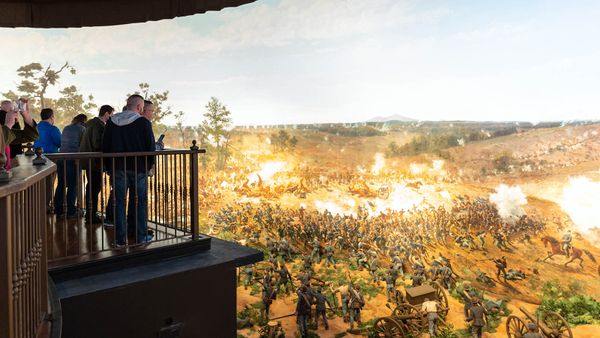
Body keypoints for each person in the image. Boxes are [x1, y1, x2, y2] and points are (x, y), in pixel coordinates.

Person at [102, 94, 155, 246]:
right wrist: (150, 165)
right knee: (140, 202)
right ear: (139, 107)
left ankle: (120, 239)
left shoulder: (112, 122)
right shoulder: (143, 123)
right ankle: (141, 236)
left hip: (118, 168)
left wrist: (108, 167)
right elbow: (150, 147)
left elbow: (105, 146)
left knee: (118, 202)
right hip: (139, 169)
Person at [80, 105, 114, 223]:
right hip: (95, 162)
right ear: (106, 114)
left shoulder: (89, 123)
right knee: (94, 188)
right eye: (111, 114)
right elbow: (97, 143)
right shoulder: (97, 125)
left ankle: (90, 214)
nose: (112, 117)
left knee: (92, 188)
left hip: (89, 161)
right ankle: (91, 215)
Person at [54, 114, 87, 218]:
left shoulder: (66, 127)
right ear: (83, 121)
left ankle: (58, 210)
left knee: (61, 184)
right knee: (73, 185)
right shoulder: (82, 129)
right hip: (73, 159)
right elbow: (83, 145)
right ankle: (71, 211)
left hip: (61, 158)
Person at [0, 99, 38, 169]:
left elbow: (30, 136)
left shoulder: (3, 128)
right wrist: (8, 124)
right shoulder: (4, 121)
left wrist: (25, 114)